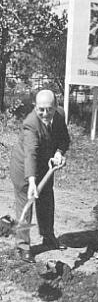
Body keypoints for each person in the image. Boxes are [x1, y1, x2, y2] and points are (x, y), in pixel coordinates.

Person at [10, 89, 70, 263]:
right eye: (40, 109)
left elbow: (64, 139)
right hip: (24, 170)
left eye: (49, 109)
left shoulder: (59, 115)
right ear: (35, 107)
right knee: (26, 206)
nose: (45, 113)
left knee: (46, 201)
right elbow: (31, 154)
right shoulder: (30, 124)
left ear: (56, 107)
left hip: (45, 166)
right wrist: (31, 181)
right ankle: (22, 247)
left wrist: (59, 152)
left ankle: (48, 237)